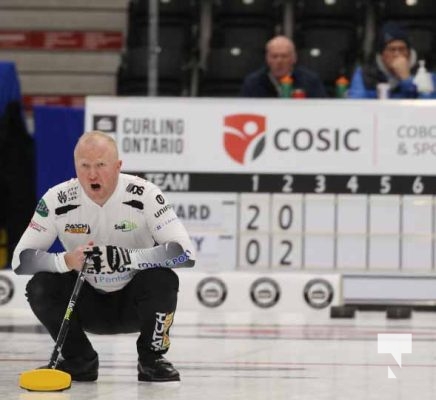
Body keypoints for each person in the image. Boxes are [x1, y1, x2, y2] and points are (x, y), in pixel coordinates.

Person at [12, 131, 195, 383]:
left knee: (162, 279)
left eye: (101, 165)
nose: (92, 175)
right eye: (84, 166)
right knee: (40, 286)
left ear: (118, 166)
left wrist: (127, 258)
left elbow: (185, 253)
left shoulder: (145, 194)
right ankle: (79, 360)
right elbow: (20, 261)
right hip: (84, 301)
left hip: (135, 303)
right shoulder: (56, 199)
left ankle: (152, 359)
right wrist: (66, 261)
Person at [348, 22, 436, 99]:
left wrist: (406, 79)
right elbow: (357, 105)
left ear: (409, 52)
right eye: (391, 49)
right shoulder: (365, 74)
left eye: (402, 49)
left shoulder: (424, 73)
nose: (397, 54)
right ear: (382, 54)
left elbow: (428, 106)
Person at [240, 35, 327, 98]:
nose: (279, 61)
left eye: (284, 56)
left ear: (294, 58)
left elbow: (322, 109)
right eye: (274, 56)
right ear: (267, 59)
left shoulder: (310, 81)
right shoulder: (253, 82)